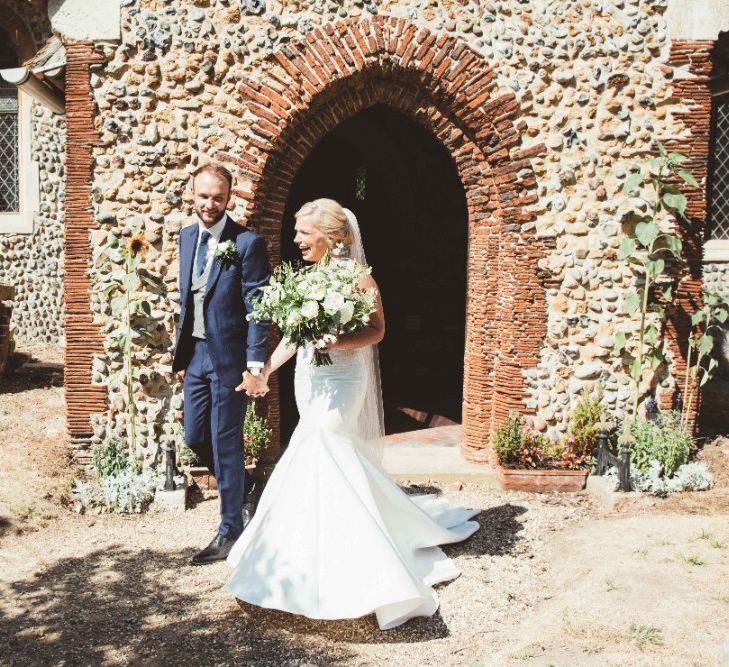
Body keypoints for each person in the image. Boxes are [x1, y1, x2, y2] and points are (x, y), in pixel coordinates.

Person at [225, 198, 479, 630]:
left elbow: (377, 330)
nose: (297, 239)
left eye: (305, 232)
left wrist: (335, 343)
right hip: (310, 381)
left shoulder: (357, 277)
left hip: (343, 382)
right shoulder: (307, 278)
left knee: (325, 448)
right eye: (297, 232)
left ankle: (370, 569)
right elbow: (292, 335)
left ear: (333, 236)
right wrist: (266, 371)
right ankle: (305, 556)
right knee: (325, 454)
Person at [171, 164, 271, 565]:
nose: (209, 204)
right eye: (203, 196)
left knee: (226, 441)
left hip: (230, 359)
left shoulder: (247, 243)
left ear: (230, 197)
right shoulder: (186, 236)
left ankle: (230, 530)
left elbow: (258, 306)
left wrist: (255, 364)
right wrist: (183, 353)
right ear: (191, 194)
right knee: (196, 436)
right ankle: (243, 486)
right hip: (195, 354)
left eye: (218, 197)